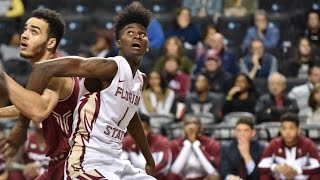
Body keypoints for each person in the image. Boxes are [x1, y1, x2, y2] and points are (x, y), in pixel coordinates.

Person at [18, 2, 156, 179]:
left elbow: (131, 117)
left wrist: (149, 158)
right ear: (119, 42)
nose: (137, 36)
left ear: (147, 45)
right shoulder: (109, 67)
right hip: (86, 160)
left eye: (142, 34)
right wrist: (22, 124)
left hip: (115, 161)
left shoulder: (140, 80)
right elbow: (42, 69)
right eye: (130, 33)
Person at [0, 8, 80, 180]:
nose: (24, 35)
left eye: (34, 32)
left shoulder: (55, 72)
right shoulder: (46, 71)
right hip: (58, 164)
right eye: (25, 29)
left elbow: (38, 111)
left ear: (50, 43)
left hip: (73, 165)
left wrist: (2, 76)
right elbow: (29, 106)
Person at [258, 112, 320, 179]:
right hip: (281, 178)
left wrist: (298, 171)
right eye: (284, 128)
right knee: (264, 176)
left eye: (291, 128)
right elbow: (261, 165)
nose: (287, 132)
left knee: (316, 176)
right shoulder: (274, 144)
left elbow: (317, 166)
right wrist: (276, 167)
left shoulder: (308, 144)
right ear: (281, 130)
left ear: (298, 130)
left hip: (301, 178)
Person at [167, 115, 220, 180]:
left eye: (195, 123)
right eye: (188, 124)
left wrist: (196, 145)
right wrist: (188, 144)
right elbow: (174, 171)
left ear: (201, 128)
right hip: (182, 178)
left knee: (215, 177)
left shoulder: (211, 143)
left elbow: (212, 172)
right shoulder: (175, 144)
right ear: (183, 128)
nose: (191, 127)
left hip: (204, 178)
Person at [122, 113, 172, 180]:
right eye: (135, 130)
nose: (138, 134)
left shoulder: (161, 141)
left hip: (156, 176)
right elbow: (121, 162)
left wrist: (146, 175)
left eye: (142, 130)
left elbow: (165, 164)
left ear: (149, 128)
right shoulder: (127, 141)